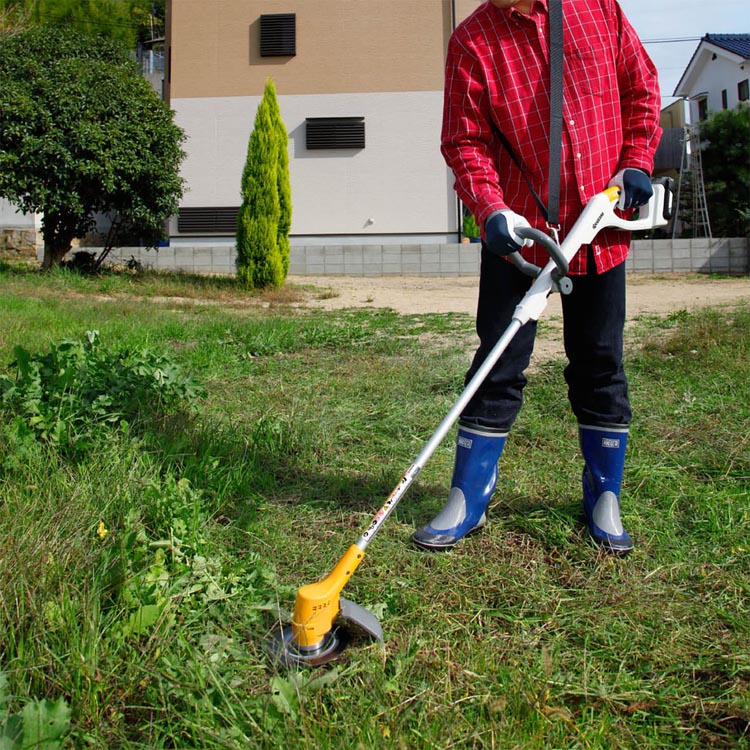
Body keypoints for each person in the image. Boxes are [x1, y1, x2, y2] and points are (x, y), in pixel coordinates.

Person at [412, 0, 662, 555]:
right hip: (521, 239)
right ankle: (469, 494)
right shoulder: (473, 42)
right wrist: (491, 209)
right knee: (497, 363)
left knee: (600, 360)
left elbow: (640, 87)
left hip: (599, 228)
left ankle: (604, 495)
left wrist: (637, 160)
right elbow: (465, 140)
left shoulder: (598, 8)